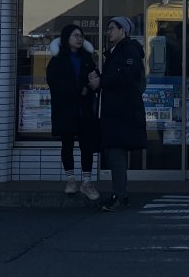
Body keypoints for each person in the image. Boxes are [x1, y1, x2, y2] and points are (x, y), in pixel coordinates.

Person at [88, 16, 147, 211]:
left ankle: (119, 196)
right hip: (119, 111)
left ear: (123, 30)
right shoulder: (117, 52)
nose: (108, 32)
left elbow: (125, 75)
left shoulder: (128, 50)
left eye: (112, 28)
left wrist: (101, 81)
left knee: (116, 152)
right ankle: (120, 194)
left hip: (122, 112)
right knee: (116, 153)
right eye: (108, 29)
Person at [46, 24, 100, 200]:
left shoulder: (87, 58)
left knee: (87, 145)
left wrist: (91, 84)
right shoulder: (57, 60)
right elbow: (53, 83)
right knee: (67, 144)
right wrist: (78, 90)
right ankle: (70, 180)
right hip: (65, 108)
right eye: (76, 35)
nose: (79, 38)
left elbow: (94, 78)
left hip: (84, 109)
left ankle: (87, 182)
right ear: (67, 37)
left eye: (81, 36)